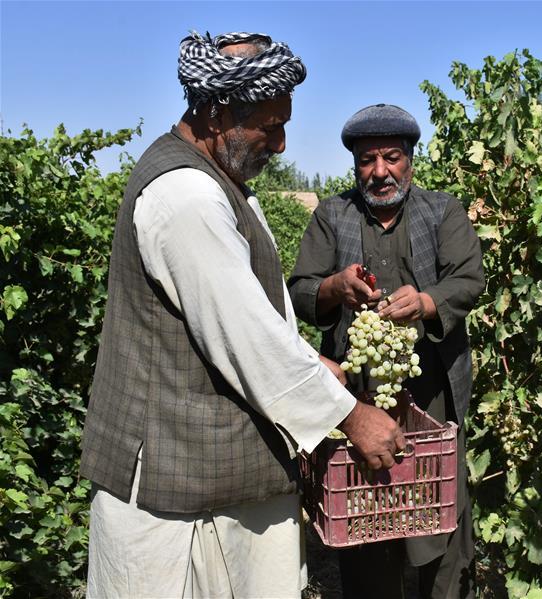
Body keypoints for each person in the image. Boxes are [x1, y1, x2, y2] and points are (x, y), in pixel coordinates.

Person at [79, 32, 403, 598]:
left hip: (213, 479)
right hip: (175, 489)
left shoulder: (222, 185)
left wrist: (309, 362)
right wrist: (352, 415)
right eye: (270, 126)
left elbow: (252, 312)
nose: (280, 145)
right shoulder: (186, 197)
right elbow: (248, 341)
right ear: (215, 113)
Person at [288, 104, 485, 598]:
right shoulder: (333, 216)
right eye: (367, 160)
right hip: (357, 399)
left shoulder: (441, 211)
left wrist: (425, 302)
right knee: (367, 524)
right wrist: (334, 286)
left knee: (437, 517)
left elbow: (468, 279)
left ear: (410, 161)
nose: (380, 172)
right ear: (355, 165)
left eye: (391, 158)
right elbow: (300, 292)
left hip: (430, 394)